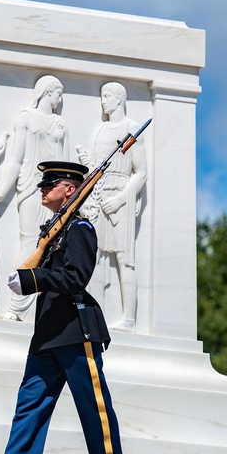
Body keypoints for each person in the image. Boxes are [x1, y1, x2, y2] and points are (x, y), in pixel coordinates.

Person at [0, 161, 126, 454]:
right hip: (49, 331)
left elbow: (75, 277)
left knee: (94, 407)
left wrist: (33, 279)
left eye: (49, 184)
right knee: (32, 396)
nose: (42, 188)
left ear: (70, 189)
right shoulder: (56, 233)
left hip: (75, 330)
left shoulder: (80, 229)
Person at [0, 76, 69, 321]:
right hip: (31, 188)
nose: (60, 99)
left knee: (53, 247)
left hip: (56, 194)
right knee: (30, 243)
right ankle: (16, 304)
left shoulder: (60, 124)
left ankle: (43, 308)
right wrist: (2, 190)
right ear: (47, 92)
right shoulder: (26, 118)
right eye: (58, 93)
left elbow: (67, 167)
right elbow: (16, 158)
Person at [77, 82, 147, 332]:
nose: (103, 101)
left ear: (119, 98)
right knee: (96, 256)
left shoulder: (131, 130)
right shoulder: (100, 130)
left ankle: (129, 318)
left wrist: (119, 200)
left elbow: (141, 173)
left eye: (107, 96)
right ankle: (96, 316)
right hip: (99, 197)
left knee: (124, 259)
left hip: (120, 200)